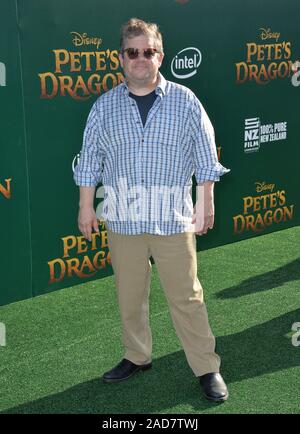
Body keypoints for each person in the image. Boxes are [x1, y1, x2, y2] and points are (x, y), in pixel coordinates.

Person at [74, 18, 230, 402]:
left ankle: (207, 367)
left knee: (187, 297)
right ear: (121, 58)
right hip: (124, 219)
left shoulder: (185, 100)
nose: (140, 58)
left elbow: (205, 154)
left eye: (148, 51)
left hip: (172, 218)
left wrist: (205, 200)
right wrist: (85, 207)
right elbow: (90, 160)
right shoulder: (104, 106)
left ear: (160, 55)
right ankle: (137, 355)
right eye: (133, 52)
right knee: (129, 295)